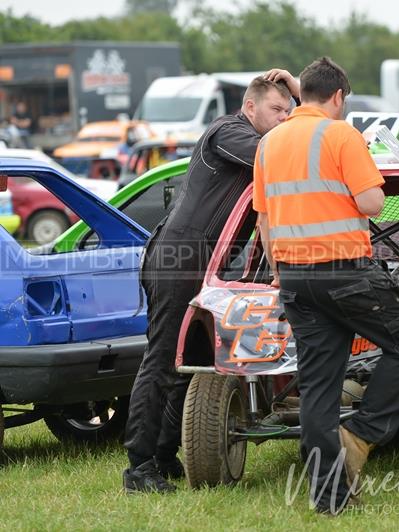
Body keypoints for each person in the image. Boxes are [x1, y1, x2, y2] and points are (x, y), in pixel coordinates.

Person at [253, 56, 399, 515]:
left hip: (294, 276)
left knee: (317, 388)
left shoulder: (269, 143)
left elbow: (264, 219)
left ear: (301, 94)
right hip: (345, 271)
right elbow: (373, 203)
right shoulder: (341, 134)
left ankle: (329, 500)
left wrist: (279, 271)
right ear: (338, 97)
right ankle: (363, 432)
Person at [122, 69, 298, 494]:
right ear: (250, 107)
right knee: (163, 360)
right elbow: (276, 156)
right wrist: (303, 123)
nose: (283, 118)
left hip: (205, 261)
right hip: (178, 255)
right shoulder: (227, 131)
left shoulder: (255, 134)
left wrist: (296, 89)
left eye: (289, 112)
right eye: (277, 110)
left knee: (192, 362)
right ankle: (138, 468)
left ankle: (164, 456)